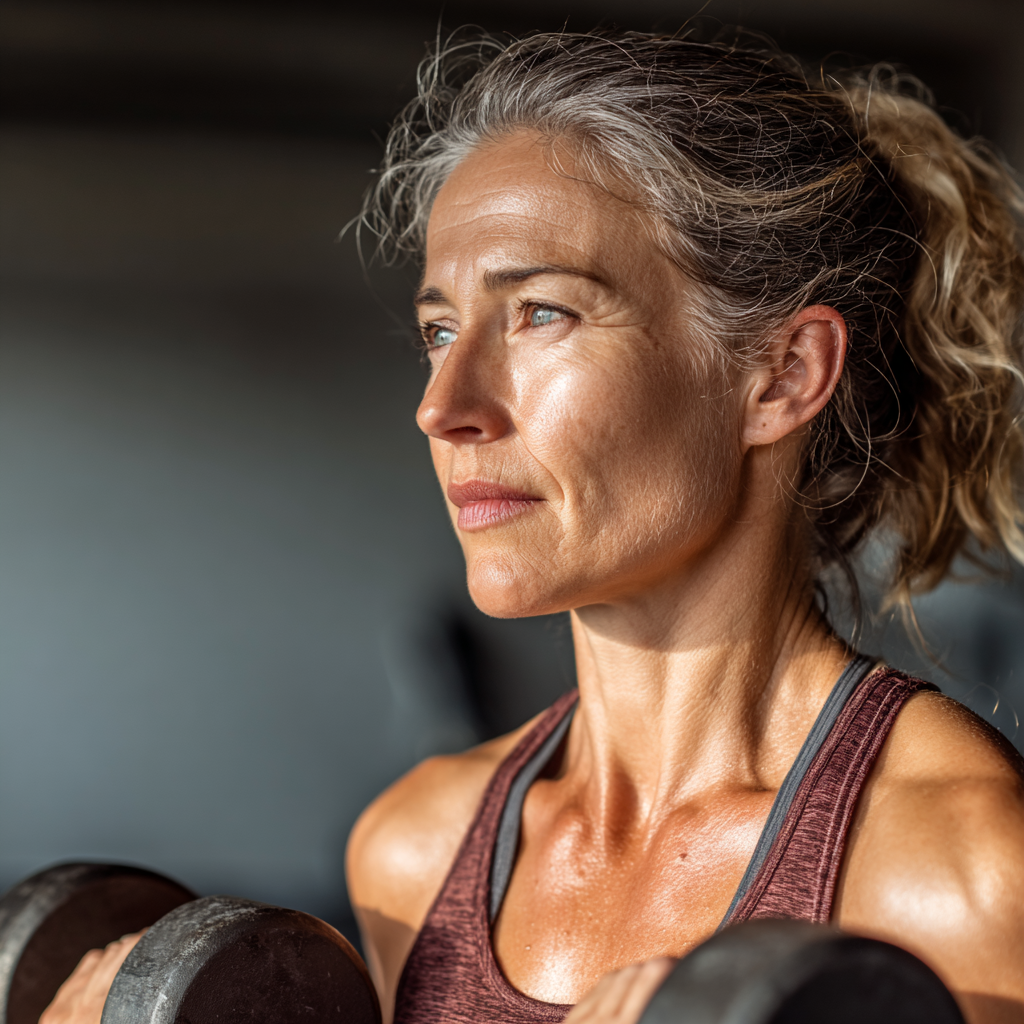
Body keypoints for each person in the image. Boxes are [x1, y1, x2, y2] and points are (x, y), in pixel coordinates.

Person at [40, 27, 1024, 1024]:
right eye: (437, 329)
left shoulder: (954, 869)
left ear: (781, 375)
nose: (444, 404)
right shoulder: (414, 849)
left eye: (541, 312)